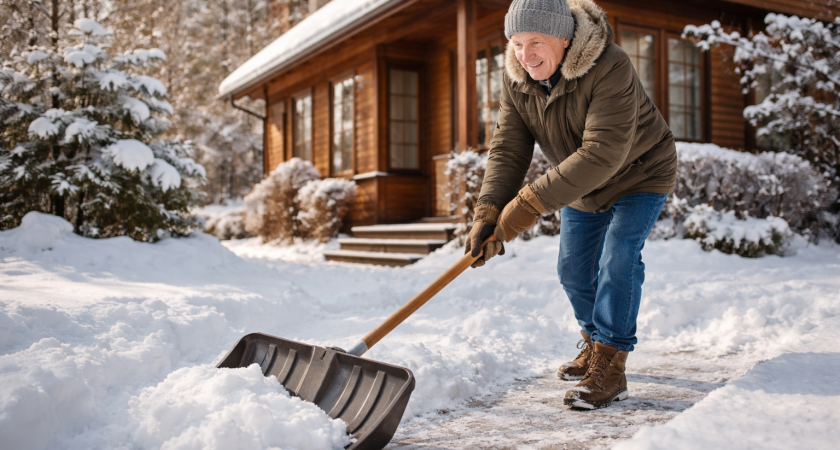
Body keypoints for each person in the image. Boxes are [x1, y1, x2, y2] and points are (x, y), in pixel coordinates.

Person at [465, 0, 677, 409]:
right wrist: (488, 210)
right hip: (581, 182)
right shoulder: (517, 76)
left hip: (640, 173)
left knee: (619, 258)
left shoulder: (609, 64)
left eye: (536, 42)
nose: (525, 55)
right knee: (573, 272)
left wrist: (524, 206)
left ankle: (611, 366)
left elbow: (603, 151)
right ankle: (594, 341)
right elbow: (508, 148)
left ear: (564, 39)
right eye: (516, 42)